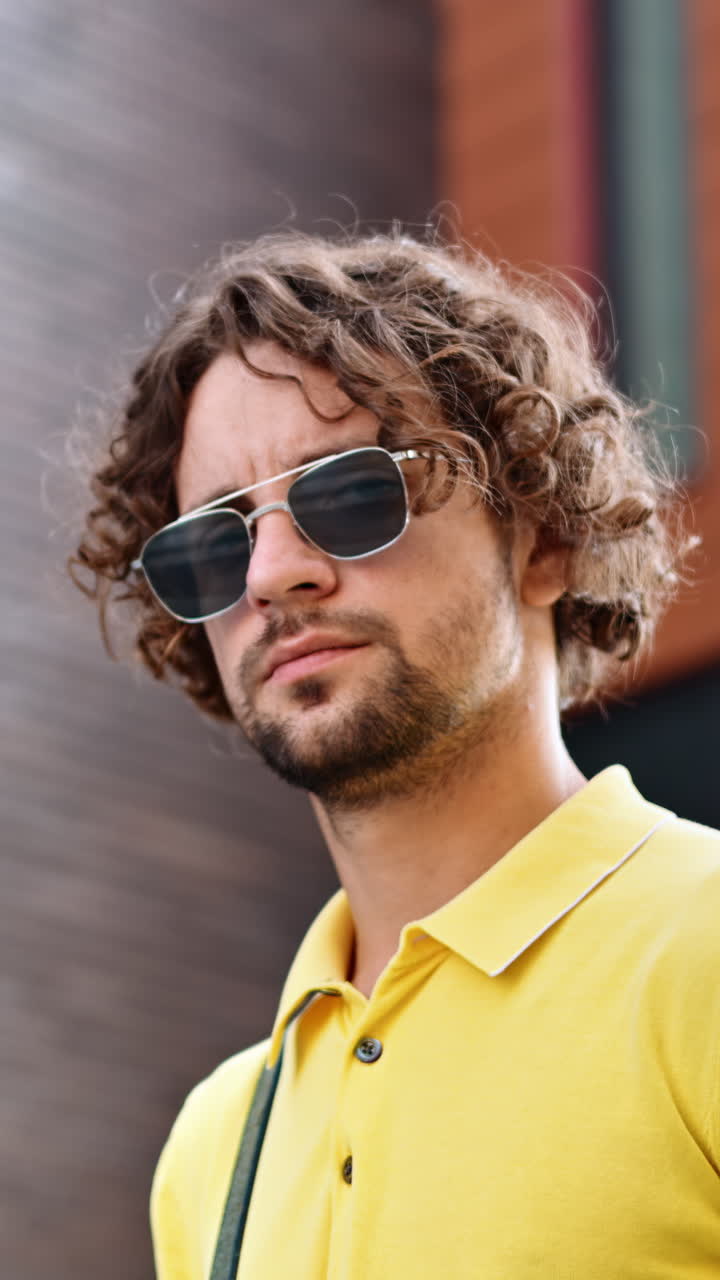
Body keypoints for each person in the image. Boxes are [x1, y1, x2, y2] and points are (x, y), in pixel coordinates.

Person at [70, 230, 720, 1278]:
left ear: (542, 535)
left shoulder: (705, 951)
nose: (274, 572)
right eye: (215, 541)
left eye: (350, 493)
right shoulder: (214, 1146)